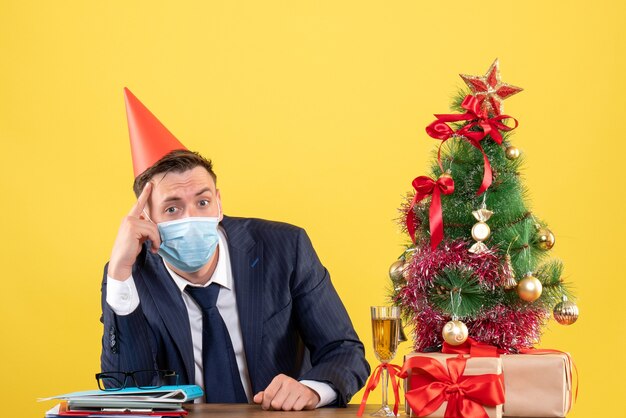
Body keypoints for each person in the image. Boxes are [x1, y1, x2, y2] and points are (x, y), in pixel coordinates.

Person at [100, 88, 370, 411]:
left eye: (203, 202)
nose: (192, 218)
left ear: (219, 203)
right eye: (172, 209)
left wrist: (311, 390)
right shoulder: (131, 275)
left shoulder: (286, 249)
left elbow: (344, 350)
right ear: (146, 219)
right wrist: (118, 274)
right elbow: (123, 393)